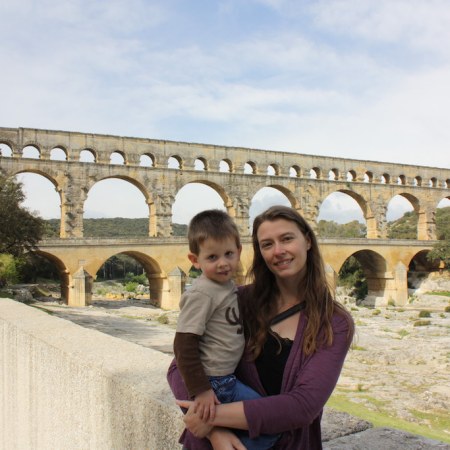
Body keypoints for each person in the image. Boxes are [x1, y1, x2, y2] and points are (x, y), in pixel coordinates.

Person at [168, 205, 355, 450]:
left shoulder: (333, 322)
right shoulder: (238, 300)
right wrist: (216, 432)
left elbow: (303, 405)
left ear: (307, 241)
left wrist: (208, 418)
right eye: (267, 244)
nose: (278, 251)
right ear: (259, 252)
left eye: (287, 239)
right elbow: (178, 367)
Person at [173, 209, 280, 450]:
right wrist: (201, 391)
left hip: (224, 378)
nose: (223, 263)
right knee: (269, 424)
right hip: (217, 382)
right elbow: (183, 344)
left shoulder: (225, 287)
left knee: (261, 420)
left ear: (239, 252)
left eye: (229, 254)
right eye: (212, 257)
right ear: (194, 260)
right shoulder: (202, 293)